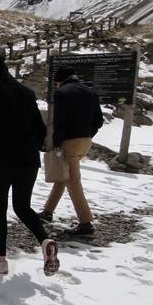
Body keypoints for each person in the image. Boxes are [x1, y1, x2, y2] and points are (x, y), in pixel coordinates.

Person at [0, 54, 59, 276]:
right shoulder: (27, 93)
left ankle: (0, 258)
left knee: (0, 209)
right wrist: (31, 146)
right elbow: (41, 128)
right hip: (28, 160)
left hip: (2, 162)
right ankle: (45, 241)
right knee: (22, 206)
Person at [37, 66, 104, 235]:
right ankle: (47, 211)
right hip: (85, 141)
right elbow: (99, 120)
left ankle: (85, 222)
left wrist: (56, 143)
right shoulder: (90, 92)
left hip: (69, 142)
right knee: (63, 174)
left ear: (59, 81)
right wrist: (88, 134)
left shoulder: (62, 94)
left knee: (73, 182)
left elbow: (60, 123)